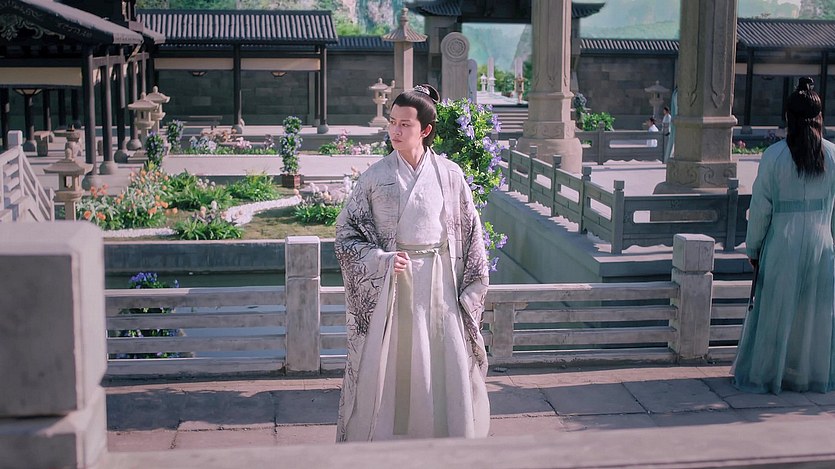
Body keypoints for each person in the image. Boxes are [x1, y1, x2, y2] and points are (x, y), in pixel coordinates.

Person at [334, 84, 491, 442]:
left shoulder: (450, 175)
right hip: (394, 282)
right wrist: (380, 259)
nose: (395, 130)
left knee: (443, 357)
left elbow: (472, 234)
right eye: (392, 122)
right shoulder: (374, 178)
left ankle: (446, 437)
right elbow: (346, 235)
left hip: (440, 281)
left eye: (405, 124)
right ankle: (387, 440)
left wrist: (469, 290)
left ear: (425, 130)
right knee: (392, 361)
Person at [733, 77, 835, 394]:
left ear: (788, 117)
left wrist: (753, 248)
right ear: (819, 117)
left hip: (783, 241)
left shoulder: (775, 156)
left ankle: (770, 375)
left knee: (776, 312)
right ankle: (809, 375)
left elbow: (761, 209)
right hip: (822, 240)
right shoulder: (833, 155)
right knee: (815, 313)